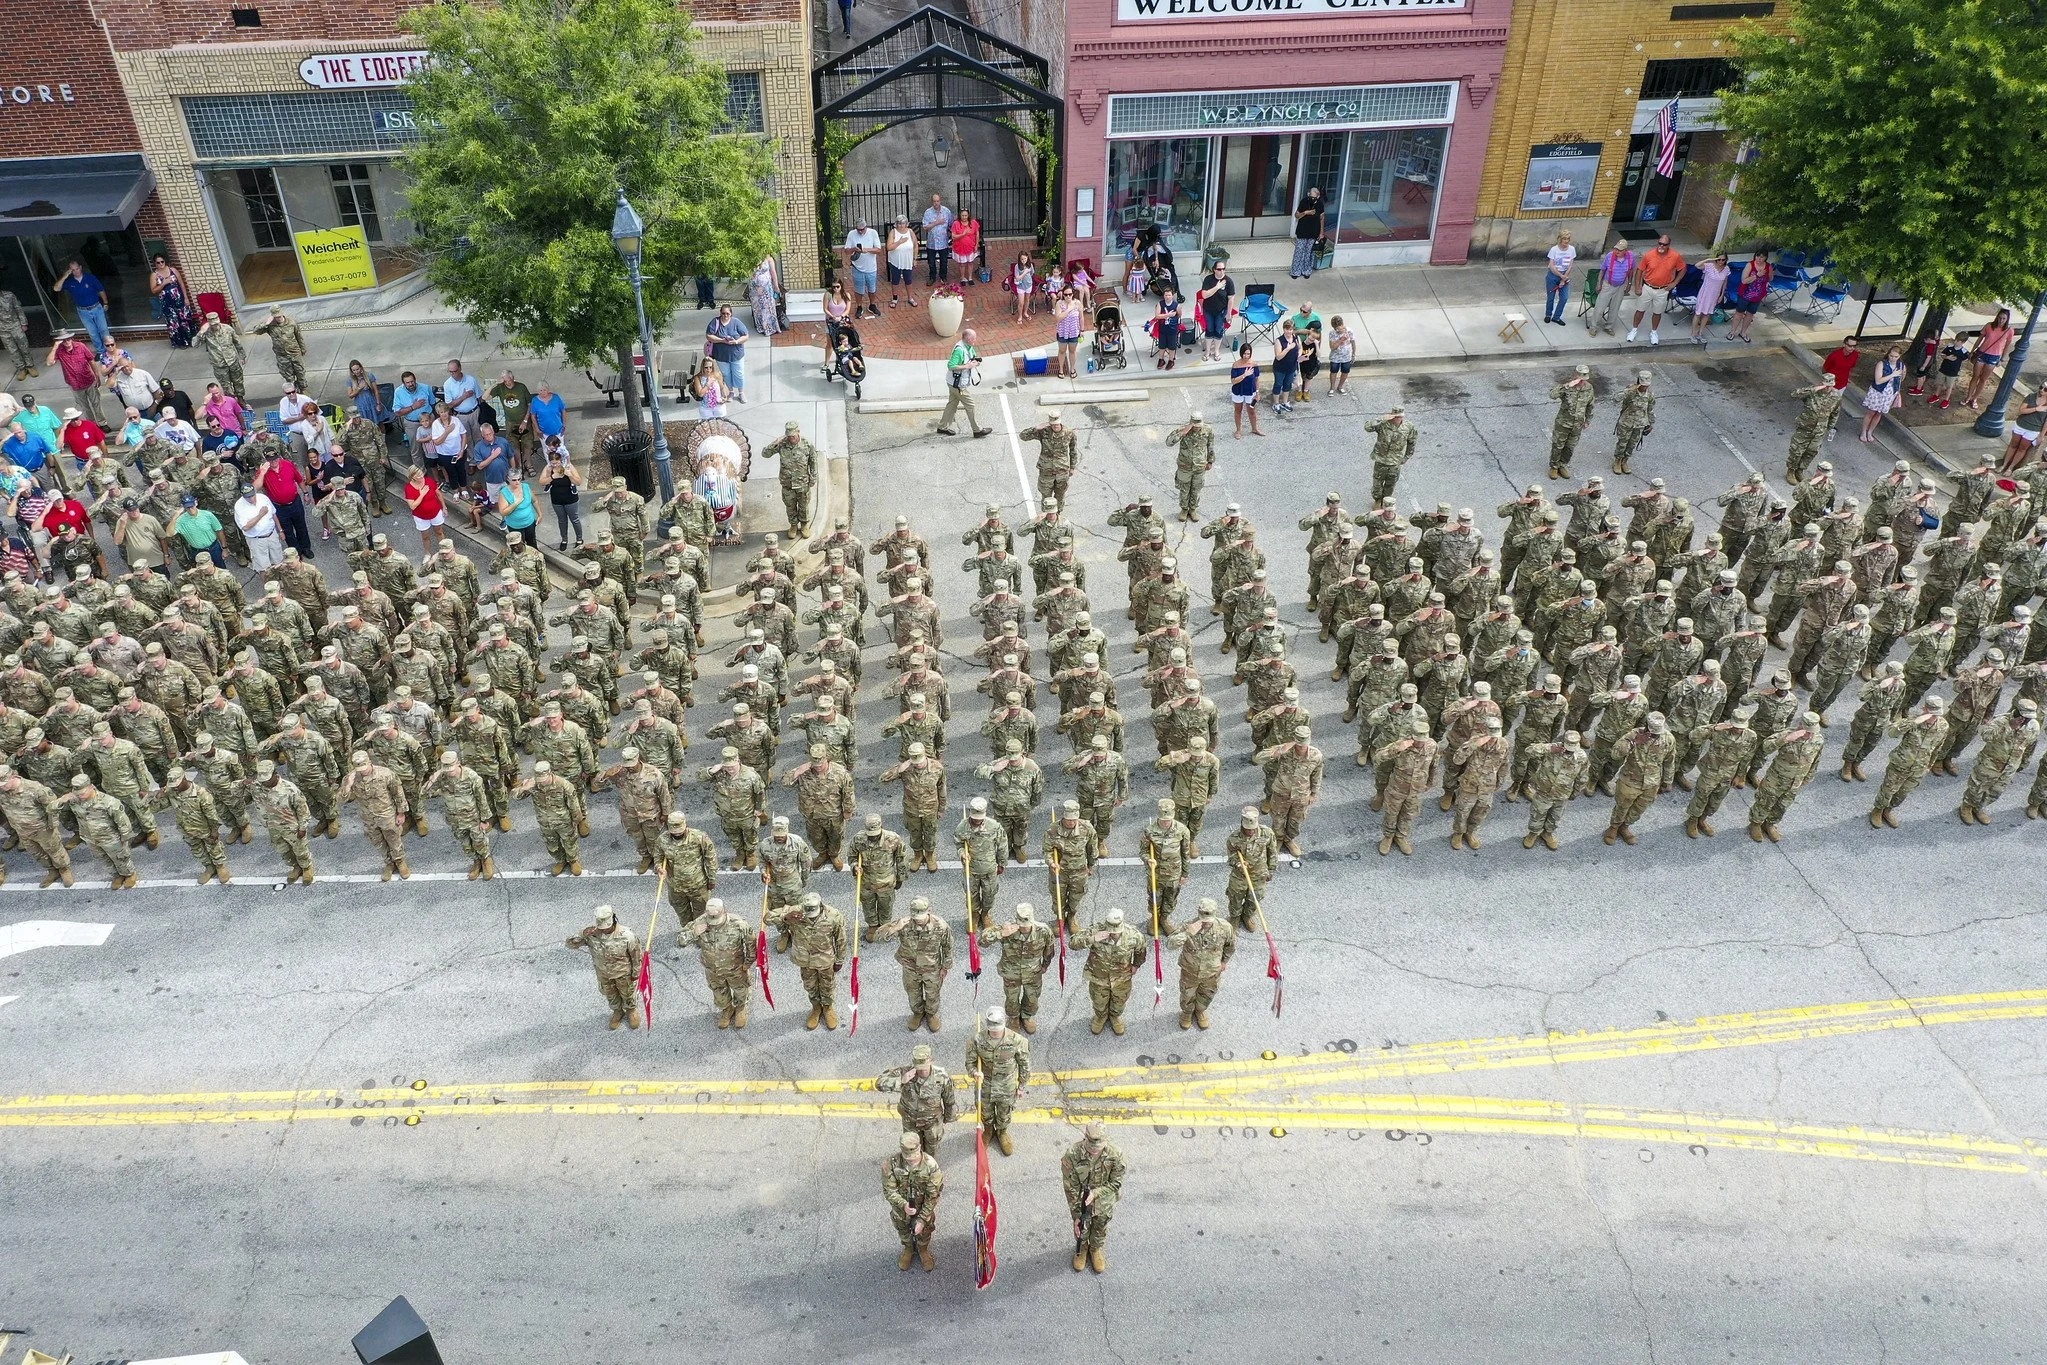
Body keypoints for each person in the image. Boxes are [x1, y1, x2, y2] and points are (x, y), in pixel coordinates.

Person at [1062, 1120, 1125, 1274]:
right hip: (1081, 1203)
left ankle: (1095, 1249)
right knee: (1081, 1229)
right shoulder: (1072, 1155)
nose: (1094, 1151)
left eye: (1098, 1147)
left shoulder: (1115, 1154)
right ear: (1085, 1137)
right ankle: (1082, 1249)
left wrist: (1096, 1193)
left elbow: (1116, 1183)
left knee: (1100, 1227)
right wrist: (1076, 1215)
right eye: (1091, 1147)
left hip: (1104, 1202)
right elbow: (1071, 1189)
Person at [1627, 233, 1686, 345]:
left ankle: (1654, 332)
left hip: (1663, 290)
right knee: (1640, 310)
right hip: (1648, 287)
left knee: (1657, 312)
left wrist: (1674, 283)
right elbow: (1639, 271)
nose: (1661, 246)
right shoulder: (1649, 255)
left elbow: (1683, 268)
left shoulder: (1675, 256)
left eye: (1664, 244)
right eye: (1660, 243)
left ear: (1669, 245)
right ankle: (1634, 329)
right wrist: (1638, 286)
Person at [259, 447, 313, 558]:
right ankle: (296, 552)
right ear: (266, 460)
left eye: (275, 459)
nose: (274, 462)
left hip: (295, 502)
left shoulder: (288, 464)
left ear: (278, 457)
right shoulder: (263, 471)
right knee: (287, 531)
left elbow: (299, 479)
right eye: (270, 460)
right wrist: (262, 473)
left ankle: (305, 548)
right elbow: (256, 487)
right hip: (279, 507)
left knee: (301, 526)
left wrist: (306, 493)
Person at [51, 259, 112, 357]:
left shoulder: (90, 278)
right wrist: (65, 276)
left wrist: (105, 302)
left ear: (80, 267)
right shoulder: (69, 281)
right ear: (70, 271)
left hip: (96, 308)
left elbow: (101, 290)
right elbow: (56, 288)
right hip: (83, 311)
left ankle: (109, 350)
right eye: (73, 270)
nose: (76, 271)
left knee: (104, 330)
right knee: (92, 333)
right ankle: (101, 352)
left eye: (77, 268)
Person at [937, 328, 990, 438]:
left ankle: (942, 427)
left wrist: (975, 362)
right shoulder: (959, 350)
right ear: (968, 339)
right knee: (970, 405)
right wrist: (967, 366)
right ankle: (977, 430)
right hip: (957, 385)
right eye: (974, 338)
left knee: (952, 405)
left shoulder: (969, 347)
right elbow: (951, 366)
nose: (975, 339)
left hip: (954, 383)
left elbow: (971, 357)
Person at [47, 332, 105, 423]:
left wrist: (97, 376)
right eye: (64, 340)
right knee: (85, 406)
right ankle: (92, 424)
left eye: (68, 339)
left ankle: (102, 422)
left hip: (88, 380)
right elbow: (49, 363)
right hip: (75, 384)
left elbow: (91, 360)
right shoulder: (59, 350)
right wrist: (55, 347)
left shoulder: (81, 346)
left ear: (71, 339)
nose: (67, 342)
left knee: (96, 403)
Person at [1964, 307, 2015, 410]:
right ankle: (1968, 396)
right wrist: (1972, 350)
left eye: (2004, 318)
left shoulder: (2009, 330)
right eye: (2000, 317)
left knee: (1983, 379)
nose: (2001, 320)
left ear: (2007, 319)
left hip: (1994, 357)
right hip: (1982, 353)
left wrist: (2002, 359)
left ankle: (1974, 398)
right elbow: (1980, 339)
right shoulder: (1989, 326)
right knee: (1975, 376)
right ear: (1997, 317)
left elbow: (2007, 345)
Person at [487, 369, 536, 475]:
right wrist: (495, 384)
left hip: (524, 420)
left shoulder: (521, 387)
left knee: (527, 443)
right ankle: (519, 465)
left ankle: (529, 464)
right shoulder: (500, 388)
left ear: (513, 378)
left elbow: (529, 404)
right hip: (510, 422)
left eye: (509, 380)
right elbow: (484, 397)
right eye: (505, 381)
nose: (507, 383)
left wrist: (525, 420)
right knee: (513, 445)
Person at [147, 254, 198, 348]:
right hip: (167, 303)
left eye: (162, 261)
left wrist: (186, 298)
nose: (161, 264)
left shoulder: (173, 270)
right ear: (155, 263)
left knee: (185, 319)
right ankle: (181, 343)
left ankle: (191, 340)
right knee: (174, 322)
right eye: (158, 262)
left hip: (179, 299)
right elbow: (154, 290)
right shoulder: (154, 275)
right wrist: (163, 283)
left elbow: (182, 284)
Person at [1590, 236, 1637, 335]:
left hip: (1620, 285)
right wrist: (1599, 283)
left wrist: (1629, 283)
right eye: (1616, 249)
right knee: (1600, 307)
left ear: (1625, 250)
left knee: (1615, 308)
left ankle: (1609, 326)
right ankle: (1593, 327)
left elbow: (1631, 271)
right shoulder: (1609, 256)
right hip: (1608, 284)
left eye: (1619, 250)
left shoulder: (1631, 257)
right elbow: (1602, 270)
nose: (1617, 251)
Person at [1860, 344, 1905, 443]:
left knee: (1879, 413)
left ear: (1900, 356)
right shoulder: (1882, 364)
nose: (1893, 358)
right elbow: (1878, 381)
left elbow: (1902, 378)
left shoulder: (1901, 365)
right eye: (1891, 356)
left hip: (1890, 393)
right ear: (1888, 354)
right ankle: (1863, 432)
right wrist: (1892, 375)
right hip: (1878, 392)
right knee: (1871, 412)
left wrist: (1897, 390)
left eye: (1896, 356)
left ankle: (1870, 432)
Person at [840, 215, 882, 318]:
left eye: (862, 229)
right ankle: (859, 306)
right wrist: (854, 249)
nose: (860, 232)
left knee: (872, 288)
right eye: (858, 230)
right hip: (857, 267)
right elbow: (846, 250)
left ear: (866, 227)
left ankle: (872, 305)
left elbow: (878, 250)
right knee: (858, 289)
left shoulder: (873, 233)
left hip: (871, 267)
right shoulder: (852, 234)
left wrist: (866, 249)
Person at [705, 304, 749, 403]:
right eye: (723, 313)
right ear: (720, 313)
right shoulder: (715, 322)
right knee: (726, 374)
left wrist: (736, 342)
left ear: (731, 314)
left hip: (736, 355)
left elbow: (746, 336)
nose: (725, 315)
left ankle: (741, 392)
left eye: (727, 313)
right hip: (721, 356)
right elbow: (709, 336)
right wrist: (722, 340)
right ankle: (731, 392)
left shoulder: (736, 322)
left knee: (738, 374)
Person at [235, 481, 283, 570]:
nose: (251, 498)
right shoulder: (239, 506)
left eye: (252, 495)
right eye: (248, 497)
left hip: (272, 535)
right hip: (256, 540)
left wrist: (280, 531)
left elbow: (273, 514)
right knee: (263, 568)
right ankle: (268, 583)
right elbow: (245, 527)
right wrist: (260, 515)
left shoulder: (263, 498)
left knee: (279, 562)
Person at [542, 448, 584, 548]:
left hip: (570, 499)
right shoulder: (548, 469)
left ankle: (579, 539)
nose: (555, 465)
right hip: (557, 499)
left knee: (574, 519)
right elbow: (541, 482)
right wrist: (552, 477)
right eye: (553, 463)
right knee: (562, 520)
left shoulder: (568, 467)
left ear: (561, 460)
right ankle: (564, 539)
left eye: (557, 463)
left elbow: (578, 482)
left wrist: (569, 475)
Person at [2001, 383, 2047, 475]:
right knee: (2013, 445)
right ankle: (2004, 465)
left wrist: (2041, 435)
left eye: (2045, 389)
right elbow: (2021, 410)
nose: (2042, 390)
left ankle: (2010, 468)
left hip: (2033, 429)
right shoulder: (2031, 396)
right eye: (2041, 387)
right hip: (2021, 425)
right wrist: (2036, 409)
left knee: (2022, 449)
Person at [1726, 251, 1771, 342]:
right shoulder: (1750, 265)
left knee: (1750, 314)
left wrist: (1769, 276)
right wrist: (1757, 276)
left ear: (1766, 258)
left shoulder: (1768, 266)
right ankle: (1732, 331)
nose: (1759, 259)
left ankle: (1743, 332)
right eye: (1757, 256)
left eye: (1762, 257)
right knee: (1739, 313)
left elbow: (1769, 279)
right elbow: (1744, 281)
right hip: (1745, 294)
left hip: (1758, 295)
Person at [402, 464, 447, 554]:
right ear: (412, 477)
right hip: (420, 516)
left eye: (421, 473)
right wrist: (422, 494)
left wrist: (444, 507)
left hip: (435, 511)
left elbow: (438, 494)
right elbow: (413, 506)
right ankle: (427, 553)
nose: (421, 476)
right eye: (418, 475)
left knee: (439, 531)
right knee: (425, 536)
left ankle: (445, 550)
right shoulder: (409, 488)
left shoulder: (429, 481)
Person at [390, 369, 433, 459]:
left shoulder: (425, 388)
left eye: (412, 381)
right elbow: (397, 412)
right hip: (412, 424)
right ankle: (420, 471)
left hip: (429, 421)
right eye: (407, 382)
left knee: (434, 444)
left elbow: (433, 403)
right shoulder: (398, 392)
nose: (410, 384)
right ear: (403, 383)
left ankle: (437, 466)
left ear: (415, 380)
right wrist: (413, 407)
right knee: (415, 449)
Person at [1197, 258, 1234, 362]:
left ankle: (1216, 351)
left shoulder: (1228, 281)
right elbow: (1204, 295)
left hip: (1221, 311)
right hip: (1208, 310)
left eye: (1223, 269)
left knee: (1218, 331)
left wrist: (1229, 314)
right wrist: (1217, 287)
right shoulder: (1208, 279)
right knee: (1209, 330)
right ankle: (1207, 351)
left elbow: (1231, 298)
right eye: (1219, 269)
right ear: (1214, 270)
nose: (1221, 271)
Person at [1690, 252, 1730, 343]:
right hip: (1705, 293)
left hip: (1714, 295)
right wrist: (1708, 260)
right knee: (1698, 313)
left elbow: (1725, 283)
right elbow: (1697, 266)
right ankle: (1693, 334)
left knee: (1707, 314)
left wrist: (1721, 295)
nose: (1720, 261)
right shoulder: (1709, 266)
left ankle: (1700, 333)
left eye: (1723, 259)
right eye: (1718, 259)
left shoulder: (1726, 269)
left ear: (1726, 260)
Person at [496, 466, 539, 548]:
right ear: (508, 480)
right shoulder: (504, 493)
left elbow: (535, 501)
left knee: (532, 543)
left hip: (529, 522)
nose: (517, 482)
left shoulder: (525, 486)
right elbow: (503, 512)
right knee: (519, 546)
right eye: (514, 480)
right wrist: (516, 503)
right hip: (515, 526)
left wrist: (540, 514)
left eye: (519, 479)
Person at [442, 358, 482, 439]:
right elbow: (449, 405)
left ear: (460, 368)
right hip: (461, 416)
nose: (452, 374)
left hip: (474, 413)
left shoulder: (471, 380)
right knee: (466, 439)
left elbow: (479, 396)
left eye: (454, 371)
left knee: (479, 437)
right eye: (450, 372)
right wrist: (463, 397)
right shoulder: (447, 384)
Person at [1291, 185, 1325, 280]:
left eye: (1314, 197)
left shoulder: (1320, 204)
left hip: (1313, 231)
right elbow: (1297, 215)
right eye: (1310, 196)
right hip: (1302, 231)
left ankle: (1306, 271)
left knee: (1309, 252)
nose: (1311, 199)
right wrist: (1306, 213)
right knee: (1299, 251)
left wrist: (1321, 232)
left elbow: (1322, 218)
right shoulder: (1304, 201)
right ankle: (1295, 271)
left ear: (1318, 197)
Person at [1543, 229, 1576, 325]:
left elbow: (1570, 265)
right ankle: (1548, 314)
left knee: (1564, 298)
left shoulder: (1572, 249)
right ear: (1560, 239)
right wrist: (1561, 276)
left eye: (1568, 239)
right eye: (1564, 239)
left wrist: (1564, 278)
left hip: (1565, 275)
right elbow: (1551, 265)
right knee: (1551, 297)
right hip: (1553, 275)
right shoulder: (1554, 249)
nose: (1566, 241)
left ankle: (1556, 317)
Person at [885, 214, 919, 309]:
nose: (901, 225)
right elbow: (889, 247)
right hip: (896, 261)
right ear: (896, 224)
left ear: (906, 224)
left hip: (907, 260)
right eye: (899, 223)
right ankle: (895, 298)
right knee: (895, 280)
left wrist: (915, 259)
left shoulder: (910, 232)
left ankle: (910, 297)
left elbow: (916, 245)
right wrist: (899, 242)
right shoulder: (893, 232)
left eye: (903, 223)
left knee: (908, 280)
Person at [1230, 343, 1262, 439]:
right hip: (1238, 392)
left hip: (1250, 392)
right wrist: (1244, 375)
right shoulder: (1236, 365)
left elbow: (1256, 379)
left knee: (1252, 410)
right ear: (1241, 353)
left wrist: (1257, 392)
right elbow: (1233, 381)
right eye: (1244, 354)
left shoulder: (1254, 364)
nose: (1246, 356)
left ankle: (1254, 428)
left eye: (1248, 354)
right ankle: (1238, 430)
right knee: (1238, 410)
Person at [920, 192, 954, 284]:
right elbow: (925, 227)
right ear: (932, 202)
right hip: (932, 242)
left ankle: (943, 277)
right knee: (931, 262)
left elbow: (951, 224)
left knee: (944, 261)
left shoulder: (946, 211)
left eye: (937, 201)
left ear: (940, 200)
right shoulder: (928, 212)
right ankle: (932, 277)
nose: (936, 203)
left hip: (943, 241)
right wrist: (937, 222)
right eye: (934, 201)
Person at [1269, 320, 1299, 416]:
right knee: (1278, 384)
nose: (1289, 331)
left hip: (1291, 367)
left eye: (1290, 329)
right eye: (1287, 329)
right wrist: (1288, 348)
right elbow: (1278, 356)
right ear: (1283, 329)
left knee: (1288, 385)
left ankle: (1285, 401)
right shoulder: (1279, 340)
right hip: (1280, 368)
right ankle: (1276, 403)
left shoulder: (1296, 338)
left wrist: (1299, 354)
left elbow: (1300, 348)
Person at [748, 254, 781, 338]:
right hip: (754, 289)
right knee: (757, 309)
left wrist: (776, 286)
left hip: (766, 288)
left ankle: (770, 327)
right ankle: (761, 327)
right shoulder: (751, 257)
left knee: (767, 308)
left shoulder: (769, 258)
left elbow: (773, 273)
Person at [1053, 286, 1083, 378]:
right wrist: (1069, 309)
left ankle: (1072, 368)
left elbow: (1081, 317)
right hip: (1062, 332)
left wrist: (1082, 330)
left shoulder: (1077, 303)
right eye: (1066, 295)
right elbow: (1058, 318)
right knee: (1062, 351)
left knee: (1072, 351)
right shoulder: (1059, 303)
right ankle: (1061, 369)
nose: (1068, 296)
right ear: (1063, 295)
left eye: (1070, 294)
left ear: (1072, 294)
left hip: (1074, 332)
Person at [1153, 286, 1183, 370]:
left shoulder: (1176, 305)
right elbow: (1157, 316)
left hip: (1172, 329)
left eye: (1169, 295)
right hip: (1163, 328)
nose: (1167, 297)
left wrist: (1173, 316)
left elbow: (1179, 315)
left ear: (1172, 296)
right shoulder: (1160, 304)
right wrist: (1168, 315)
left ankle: (1171, 360)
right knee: (1161, 345)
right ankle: (1161, 359)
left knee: (1172, 346)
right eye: (1166, 295)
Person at [951, 209, 981, 285]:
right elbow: (953, 237)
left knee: (970, 262)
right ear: (960, 216)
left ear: (968, 216)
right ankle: (962, 278)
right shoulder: (956, 223)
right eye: (962, 215)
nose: (964, 217)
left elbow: (977, 234)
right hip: (960, 248)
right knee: (962, 264)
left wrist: (976, 245)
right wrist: (963, 234)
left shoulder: (973, 223)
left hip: (971, 247)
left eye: (966, 215)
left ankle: (970, 277)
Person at [1327, 315, 1356, 393]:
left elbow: (1353, 342)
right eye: (1335, 328)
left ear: (1342, 325)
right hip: (1335, 356)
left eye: (1338, 328)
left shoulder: (1349, 331)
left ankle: (1340, 387)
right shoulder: (1332, 333)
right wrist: (1340, 340)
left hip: (1347, 356)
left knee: (1345, 371)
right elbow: (1332, 347)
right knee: (1333, 371)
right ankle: (1332, 388)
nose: (1337, 330)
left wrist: (1353, 354)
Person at [691, 355, 726, 420]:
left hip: (718, 405)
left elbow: (722, 387)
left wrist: (725, 397)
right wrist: (708, 384)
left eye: (710, 367)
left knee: (721, 425)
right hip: (705, 407)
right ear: (702, 367)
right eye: (706, 367)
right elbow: (700, 394)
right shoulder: (698, 378)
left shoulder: (717, 374)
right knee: (708, 427)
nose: (708, 370)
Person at [1009, 249, 1036, 323]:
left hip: (1028, 285)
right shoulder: (1017, 266)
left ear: (1027, 258)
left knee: (1027, 299)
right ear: (1019, 259)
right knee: (1021, 302)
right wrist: (1025, 272)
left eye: (1025, 258)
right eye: (1022, 259)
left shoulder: (1030, 265)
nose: (1023, 260)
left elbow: (1032, 273)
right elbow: (1017, 278)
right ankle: (1020, 316)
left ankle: (1025, 312)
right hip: (1021, 286)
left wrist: (1027, 274)